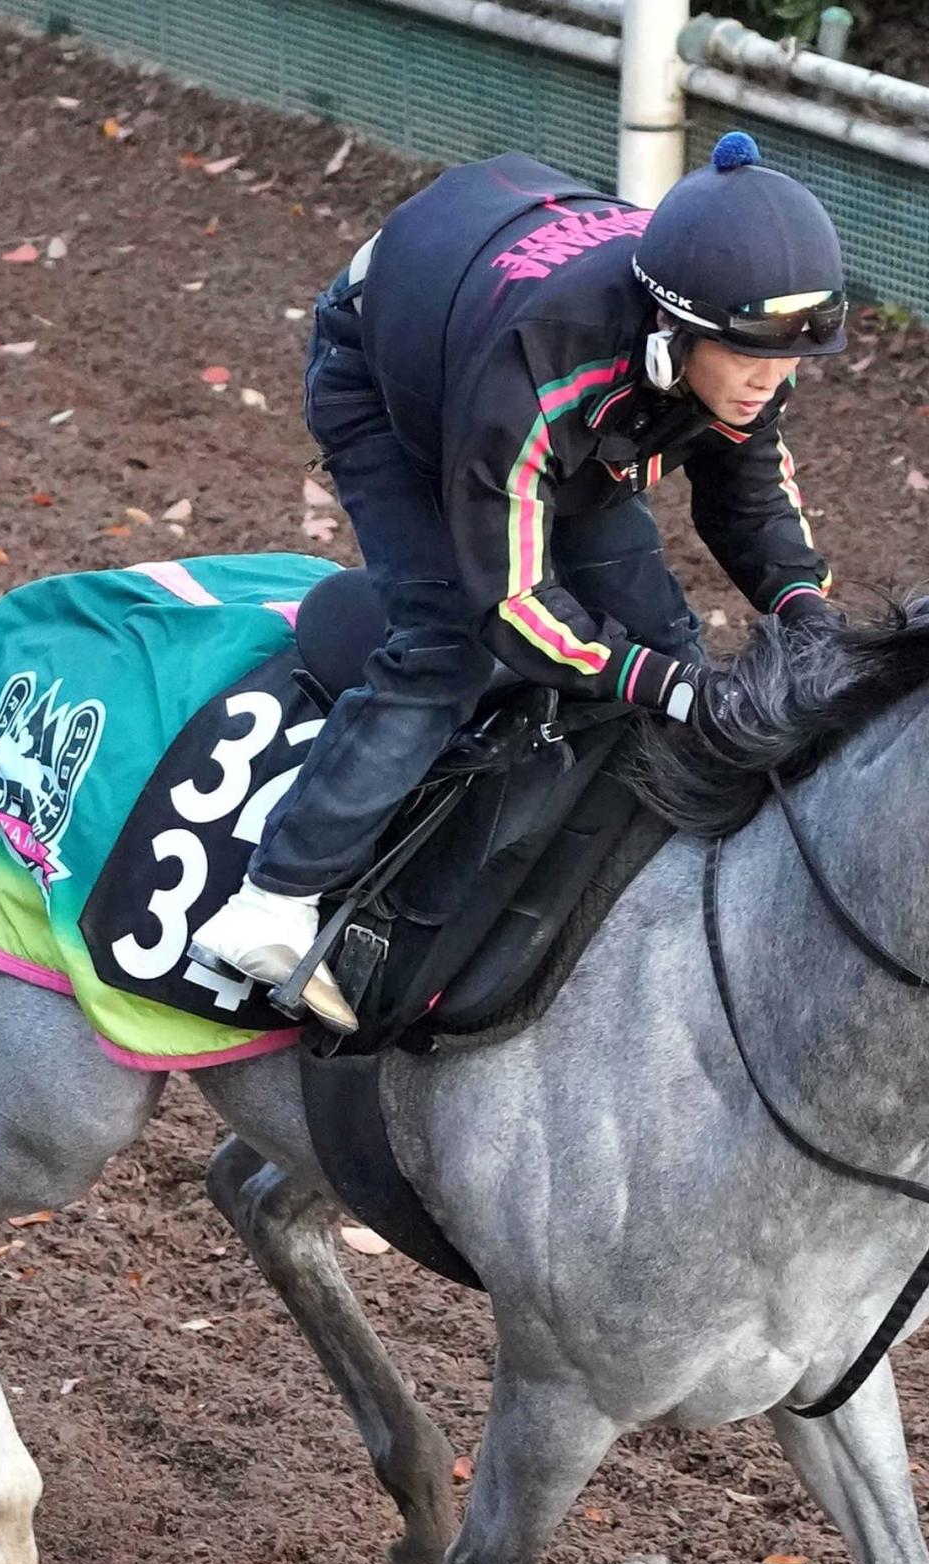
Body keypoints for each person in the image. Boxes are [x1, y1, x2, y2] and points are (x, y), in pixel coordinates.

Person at [199, 132, 849, 1031]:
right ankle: (273, 898)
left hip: (553, 389)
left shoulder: (740, 344)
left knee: (668, 642)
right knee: (447, 648)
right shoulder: (540, 370)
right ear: (676, 331)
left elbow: (747, 500)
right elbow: (512, 605)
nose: (767, 383)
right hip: (399, 388)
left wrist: (808, 612)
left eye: (788, 361)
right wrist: (671, 689)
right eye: (748, 358)